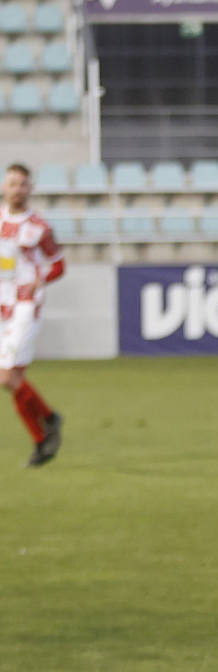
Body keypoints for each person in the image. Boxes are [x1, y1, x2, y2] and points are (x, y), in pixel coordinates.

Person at [1, 162, 65, 468]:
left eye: (22, 184)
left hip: (26, 307)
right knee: (15, 380)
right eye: (12, 183)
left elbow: (59, 264)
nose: (17, 189)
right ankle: (44, 434)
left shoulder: (39, 228)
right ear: (4, 186)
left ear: (30, 189)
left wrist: (41, 279)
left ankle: (47, 426)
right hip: (3, 307)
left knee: (7, 376)